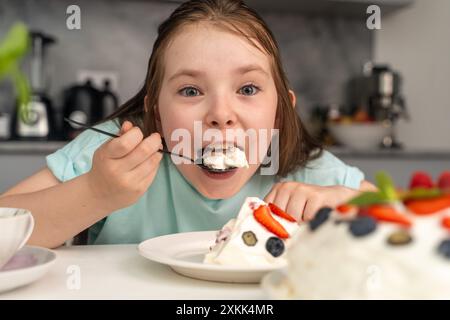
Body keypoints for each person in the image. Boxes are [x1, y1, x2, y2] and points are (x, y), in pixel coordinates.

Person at [0, 0, 375, 248]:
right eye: (191, 90)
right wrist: (96, 193)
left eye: (247, 88)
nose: (220, 113)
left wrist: (343, 203)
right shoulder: (116, 153)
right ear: (157, 114)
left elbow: (407, 226)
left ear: (280, 113)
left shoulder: (306, 170)